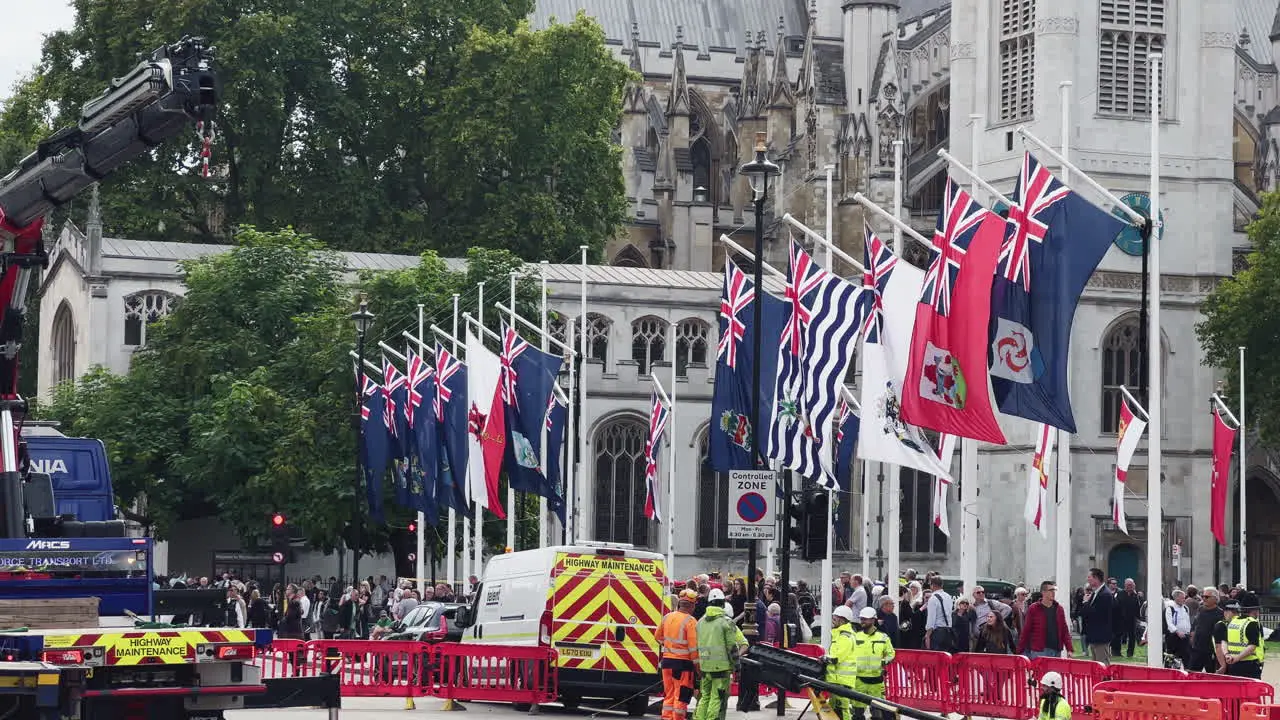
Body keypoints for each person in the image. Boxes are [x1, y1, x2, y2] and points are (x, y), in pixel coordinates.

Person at [694, 589, 747, 720]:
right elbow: (732, 648)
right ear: (723, 604)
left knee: (705, 697)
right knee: (717, 697)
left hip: (705, 666)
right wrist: (737, 668)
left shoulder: (700, 622)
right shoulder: (726, 622)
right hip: (721, 668)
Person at [848, 606, 895, 720]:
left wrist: (885, 661)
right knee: (857, 714)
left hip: (876, 681)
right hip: (859, 680)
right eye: (862, 619)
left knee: (877, 714)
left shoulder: (883, 637)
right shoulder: (855, 636)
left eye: (865, 619)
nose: (862, 621)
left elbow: (891, 653)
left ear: (873, 620)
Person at [659, 590, 700, 720]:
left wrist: (670, 648)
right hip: (683, 665)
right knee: (680, 697)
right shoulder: (691, 621)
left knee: (669, 695)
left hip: (666, 663)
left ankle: (666, 718)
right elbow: (693, 649)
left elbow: (657, 637)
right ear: (692, 606)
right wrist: (698, 669)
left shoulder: (667, 617)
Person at [1220, 593, 1264, 679]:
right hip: (1248, 665)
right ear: (1254, 610)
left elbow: (1224, 641)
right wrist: (1237, 658)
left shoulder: (1233, 621)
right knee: (1251, 690)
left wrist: (1227, 655)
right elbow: (1252, 646)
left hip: (1232, 664)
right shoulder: (1252, 623)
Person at [826, 605, 858, 720]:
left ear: (842, 619)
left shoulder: (845, 636)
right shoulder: (841, 634)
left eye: (835, 618)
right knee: (833, 709)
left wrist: (825, 658)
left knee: (842, 710)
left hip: (842, 679)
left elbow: (837, 657)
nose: (833, 620)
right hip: (838, 679)